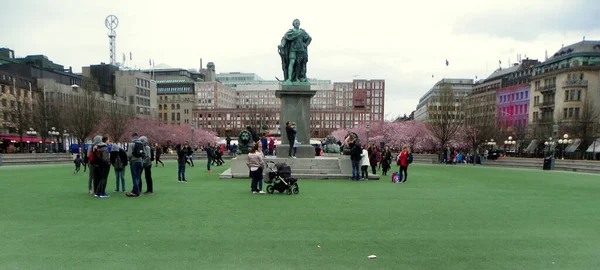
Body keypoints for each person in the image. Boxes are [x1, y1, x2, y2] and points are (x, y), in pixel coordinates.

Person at [126, 133, 145, 197]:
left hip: (133, 162)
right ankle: (134, 191)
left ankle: (137, 192)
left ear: (132, 137)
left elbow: (129, 154)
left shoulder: (131, 144)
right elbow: (143, 153)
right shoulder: (141, 144)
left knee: (134, 177)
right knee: (138, 177)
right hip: (140, 162)